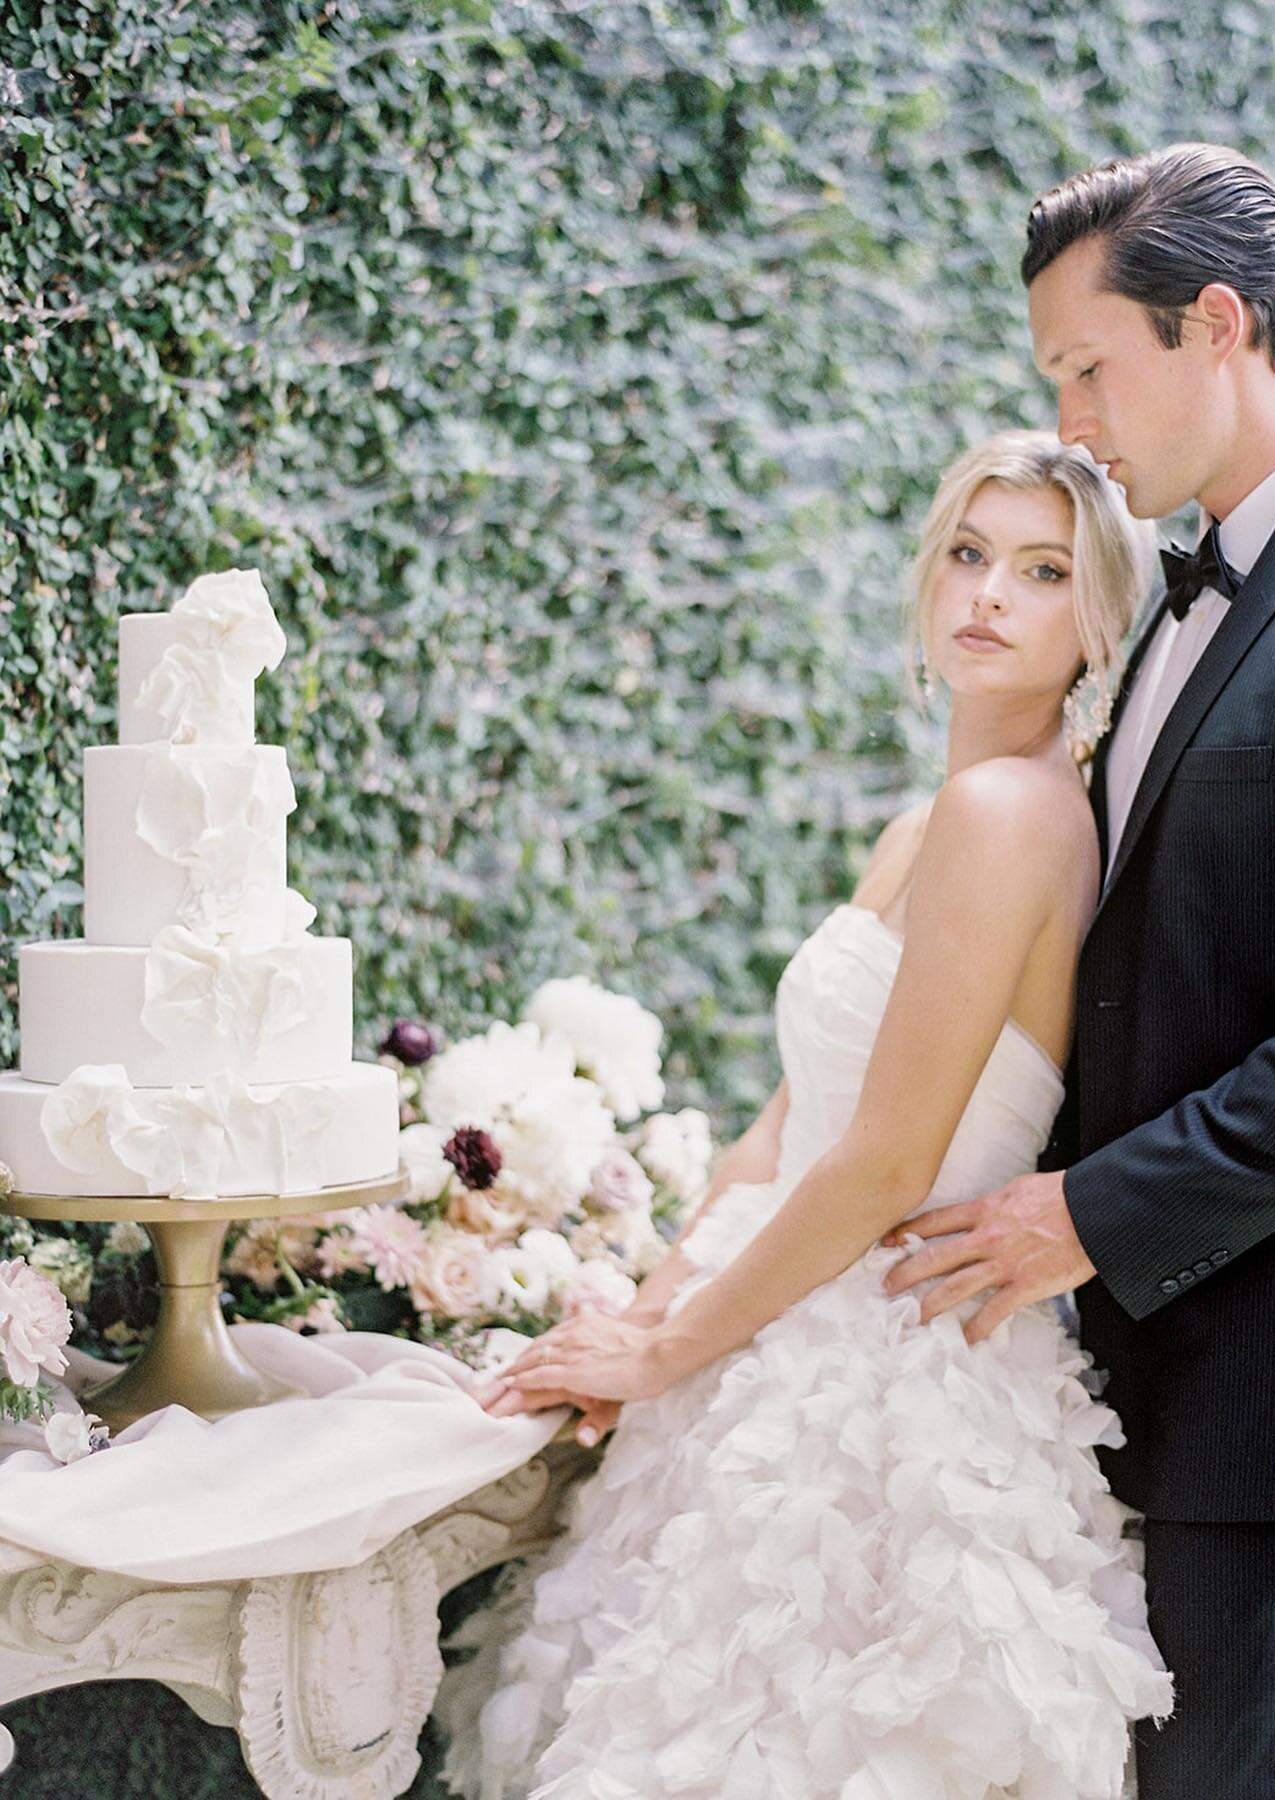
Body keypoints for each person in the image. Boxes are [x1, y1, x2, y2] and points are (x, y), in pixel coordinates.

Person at [438, 430, 1171, 1800]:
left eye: (1042, 570)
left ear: (1099, 622)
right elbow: (785, 1128)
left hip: (883, 1351)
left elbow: (887, 1159)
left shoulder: (1012, 816)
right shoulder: (926, 823)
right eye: (968, 553)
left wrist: (666, 1356)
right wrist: (645, 1315)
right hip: (770, 1302)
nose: (990, 595)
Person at [883, 144, 1275, 1798]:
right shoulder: (1200, 586)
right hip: (1180, 1376)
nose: (1070, 417)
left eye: (1085, 368)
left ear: (1213, 325)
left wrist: (1091, 1213)